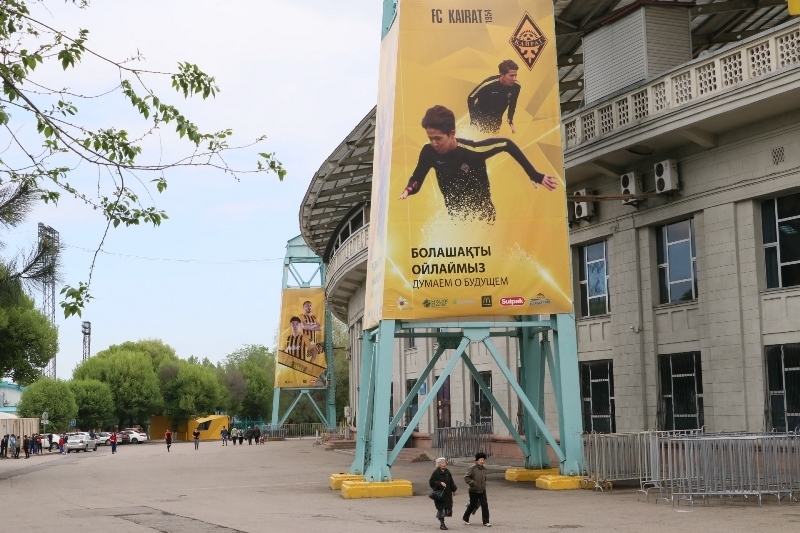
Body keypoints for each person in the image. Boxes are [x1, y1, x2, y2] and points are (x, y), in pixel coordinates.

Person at [399, 105, 557, 222]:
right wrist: (409, 189)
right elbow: (417, 177)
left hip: (483, 218)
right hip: (455, 219)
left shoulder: (473, 151)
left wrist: (534, 175)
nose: (434, 143)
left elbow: (506, 144)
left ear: (452, 134)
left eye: (438, 138)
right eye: (430, 138)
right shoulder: (428, 152)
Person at [468, 59, 521, 134]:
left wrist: (510, 119)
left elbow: (513, 102)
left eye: (515, 75)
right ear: (502, 74)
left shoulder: (516, 86)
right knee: (478, 138)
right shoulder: (488, 83)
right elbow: (471, 97)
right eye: (511, 75)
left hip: (496, 119)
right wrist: (474, 119)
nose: (514, 79)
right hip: (481, 116)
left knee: (492, 139)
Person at [429, 457, 457, 530]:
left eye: (445, 462)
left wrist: (454, 489)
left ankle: (440, 517)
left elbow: (451, 481)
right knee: (441, 508)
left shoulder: (447, 472)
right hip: (440, 494)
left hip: (447, 493)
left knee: (447, 508)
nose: (444, 464)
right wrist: (439, 483)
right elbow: (431, 482)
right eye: (442, 463)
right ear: (438, 464)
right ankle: (442, 524)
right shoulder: (436, 473)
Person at [463, 452, 490, 527]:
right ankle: (466, 518)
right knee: (472, 504)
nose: (482, 461)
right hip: (473, 490)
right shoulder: (473, 468)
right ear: (477, 460)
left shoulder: (484, 469)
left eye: (483, 459)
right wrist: (473, 483)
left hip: (482, 490)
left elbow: (484, 479)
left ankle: (486, 521)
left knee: (484, 505)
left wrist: (484, 485)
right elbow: (466, 477)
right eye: (481, 459)